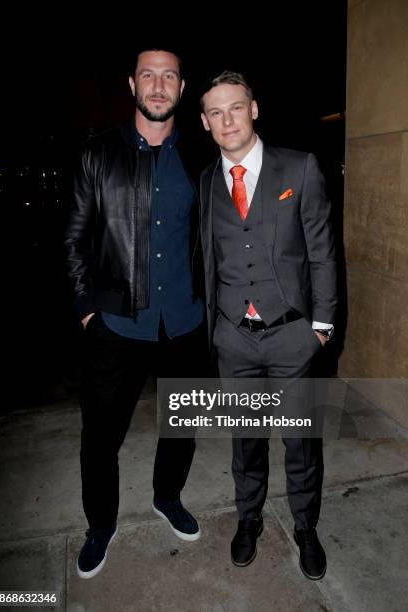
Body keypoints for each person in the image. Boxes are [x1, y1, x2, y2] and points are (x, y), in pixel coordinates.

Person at [64, 48, 207, 579]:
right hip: (117, 324)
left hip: (187, 322)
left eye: (168, 75)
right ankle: (100, 525)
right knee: (100, 438)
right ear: (132, 84)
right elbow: (75, 240)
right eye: (148, 74)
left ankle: (166, 497)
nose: (158, 84)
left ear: (181, 87)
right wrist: (85, 310)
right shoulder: (96, 155)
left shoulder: (198, 156)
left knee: (182, 425)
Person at [199, 71, 337, 580]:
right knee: (246, 439)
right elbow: (209, 258)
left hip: (291, 334)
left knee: (300, 441)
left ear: (253, 109)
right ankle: (248, 518)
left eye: (236, 107)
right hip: (233, 337)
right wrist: (216, 328)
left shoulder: (299, 168)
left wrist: (320, 327)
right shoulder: (208, 179)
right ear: (205, 122)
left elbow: (322, 251)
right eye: (216, 112)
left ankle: (305, 527)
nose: (227, 119)